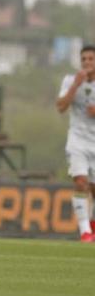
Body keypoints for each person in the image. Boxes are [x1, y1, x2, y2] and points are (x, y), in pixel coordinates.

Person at [56, 45, 95, 242]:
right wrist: (75, 86)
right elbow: (61, 107)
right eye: (84, 59)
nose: (87, 63)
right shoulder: (71, 81)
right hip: (77, 141)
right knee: (81, 182)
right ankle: (85, 232)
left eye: (91, 59)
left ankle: (93, 226)